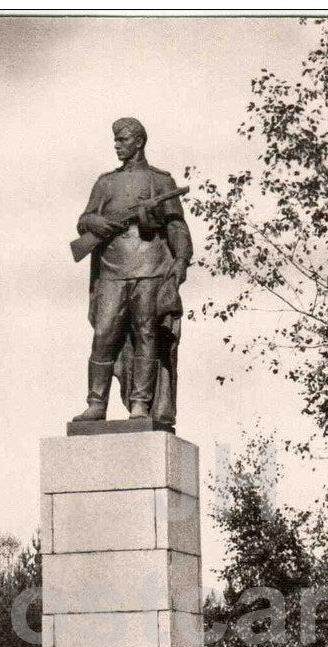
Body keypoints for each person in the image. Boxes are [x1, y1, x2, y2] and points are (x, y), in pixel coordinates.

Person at [72, 117, 193, 426]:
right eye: (115, 140)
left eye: (122, 140)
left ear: (138, 142)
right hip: (113, 270)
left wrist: (181, 260)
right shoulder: (106, 182)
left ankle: (140, 403)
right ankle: (96, 403)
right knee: (103, 335)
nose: (116, 145)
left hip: (150, 268)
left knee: (147, 335)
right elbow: (85, 220)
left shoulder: (161, 181)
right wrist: (95, 223)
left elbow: (176, 226)